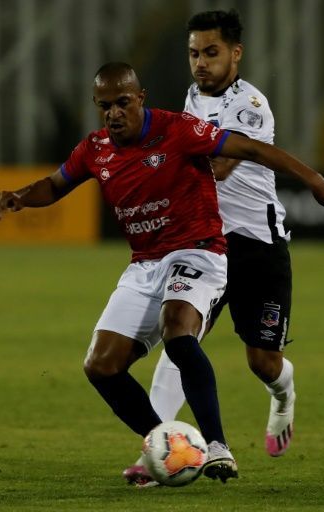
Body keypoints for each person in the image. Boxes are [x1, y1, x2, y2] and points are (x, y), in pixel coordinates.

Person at [0, 62, 324, 485]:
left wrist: (314, 180)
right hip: (144, 263)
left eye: (123, 103)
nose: (114, 113)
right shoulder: (95, 149)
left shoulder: (179, 129)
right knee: (100, 366)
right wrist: (20, 196)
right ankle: (164, 445)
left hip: (198, 250)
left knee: (179, 332)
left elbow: (252, 149)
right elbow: (56, 184)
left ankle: (218, 447)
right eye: (105, 106)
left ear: (140, 97)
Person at [131, 10, 304, 481]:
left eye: (211, 53)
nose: (200, 63)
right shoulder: (192, 97)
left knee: (263, 362)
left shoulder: (250, 106)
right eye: (194, 53)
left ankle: (284, 394)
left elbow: (218, 167)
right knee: (179, 340)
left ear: (235, 53)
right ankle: (155, 452)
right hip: (207, 244)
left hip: (258, 247)